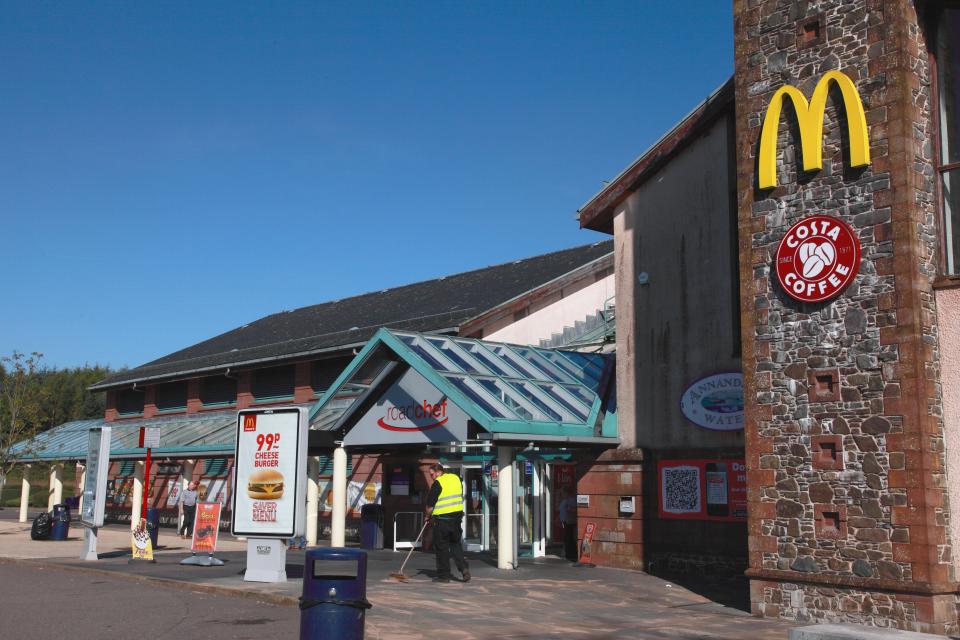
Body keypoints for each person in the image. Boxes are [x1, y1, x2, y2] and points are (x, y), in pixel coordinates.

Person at [425, 463, 470, 583]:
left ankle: (444, 576)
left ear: (439, 472)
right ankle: (464, 569)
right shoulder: (455, 478)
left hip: (442, 520)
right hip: (456, 520)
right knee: (456, 545)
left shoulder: (438, 483)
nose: (432, 477)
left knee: (442, 548)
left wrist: (427, 516)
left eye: (432, 474)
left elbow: (430, 505)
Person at [558, 487, 578, 561]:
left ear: (567, 493)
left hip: (569, 521)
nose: (562, 494)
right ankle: (567, 552)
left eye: (563, 492)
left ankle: (570, 553)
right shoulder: (565, 500)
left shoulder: (571, 499)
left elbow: (573, 509)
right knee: (567, 537)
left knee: (569, 537)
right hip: (565, 521)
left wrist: (569, 509)